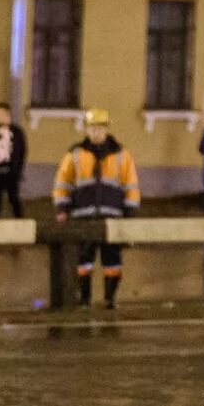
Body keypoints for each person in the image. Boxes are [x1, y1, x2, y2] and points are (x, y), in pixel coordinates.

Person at [52, 107, 140, 308]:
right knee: (84, 261)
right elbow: (62, 183)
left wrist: (130, 213)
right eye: (92, 128)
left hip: (113, 217)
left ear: (106, 129)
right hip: (83, 217)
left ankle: (110, 298)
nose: (96, 132)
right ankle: (85, 299)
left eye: (100, 128)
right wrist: (62, 209)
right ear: (86, 130)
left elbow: (131, 185)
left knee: (113, 261)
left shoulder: (121, 155)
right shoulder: (75, 154)